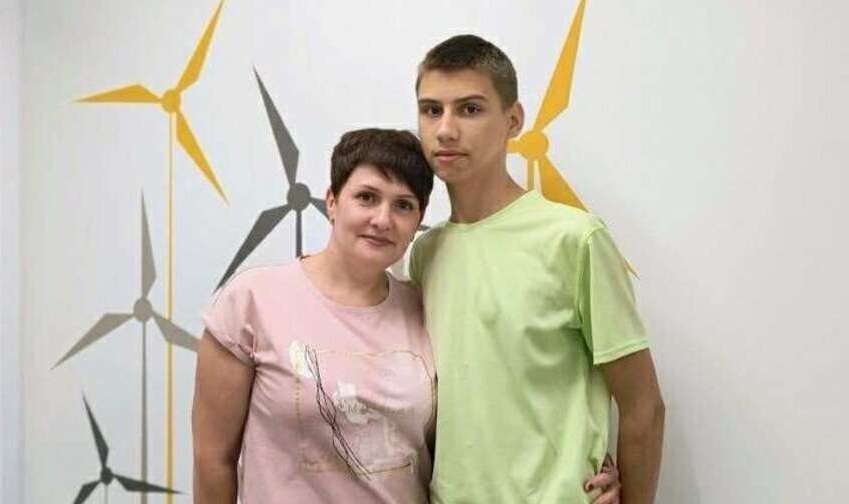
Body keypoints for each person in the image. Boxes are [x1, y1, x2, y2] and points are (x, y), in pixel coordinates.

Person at [192, 128, 621, 503]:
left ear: (418, 221)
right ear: (332, 201)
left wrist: (579, 465)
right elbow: (213, 459)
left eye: (403, 205)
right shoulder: (253, 301)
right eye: (367, 197)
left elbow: (490, 408)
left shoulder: (423, 304)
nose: (382, 219)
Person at [410, 35, 665, 503]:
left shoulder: (574, 239)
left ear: (513, 120)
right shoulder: (424, 253)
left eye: (469, 109)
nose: (445, 130)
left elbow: (643, 406)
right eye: (431, 110)